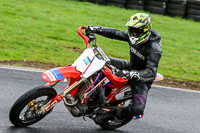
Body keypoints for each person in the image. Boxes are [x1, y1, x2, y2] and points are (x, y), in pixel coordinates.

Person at [86, 13, 162, 124]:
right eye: (131, 30)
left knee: (138, 109)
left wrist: (132, 74)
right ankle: (91, 93)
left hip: (142, 79)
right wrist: (97, 29)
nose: (133, 33)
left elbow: (151, 72)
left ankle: (110, 115)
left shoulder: (154, 49)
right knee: (100, 60)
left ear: (146, 30)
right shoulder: (132, 36)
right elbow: (116, 33)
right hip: (130, 66)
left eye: (137, 31)